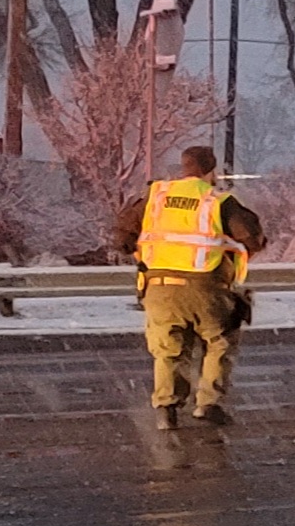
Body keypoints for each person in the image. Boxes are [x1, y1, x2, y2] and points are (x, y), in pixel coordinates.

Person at [113, 145, 266, 432]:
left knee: (168, 349)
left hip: (159, 287)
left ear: (183, 167)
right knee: (220, 341)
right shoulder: (217, 201)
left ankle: (167, 409)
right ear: (212, 170)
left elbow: (122, 236)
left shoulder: (156, 196)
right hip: (205, 285)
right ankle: (208, 404)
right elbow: (252, 237)